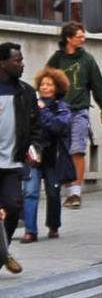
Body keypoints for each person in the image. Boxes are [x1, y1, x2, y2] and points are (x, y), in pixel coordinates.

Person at [46, 22, 102, 209]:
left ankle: (76, 194)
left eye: (83, 35)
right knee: (64, 151)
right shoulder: (57, 59)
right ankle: (68, 190)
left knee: (77, 149)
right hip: (59, 112)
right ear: (68, 38)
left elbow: (98, 85)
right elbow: (46, 82)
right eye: (79, 36)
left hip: (80, 111)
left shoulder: (87, 60)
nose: (83, 38)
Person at [0, 43, 44, 273]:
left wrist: (35, 148)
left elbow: (36, 127)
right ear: (2, 63)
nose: (22, 64)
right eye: (17, 60)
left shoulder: (26, 92)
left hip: (13, 162)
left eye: (22, 59)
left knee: (13, 207)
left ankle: (2, 250)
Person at [21, 68, 73, 242]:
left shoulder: (63, 107)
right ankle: (30, 231)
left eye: (49, 84)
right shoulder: (30, 104)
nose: (45, 87)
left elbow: (59, 126)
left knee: (53, 192)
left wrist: (42, 111)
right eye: (42, 84)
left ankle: (53, 225)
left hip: (53, 157)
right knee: (30, 192)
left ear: (57, 87)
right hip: (34, 155)